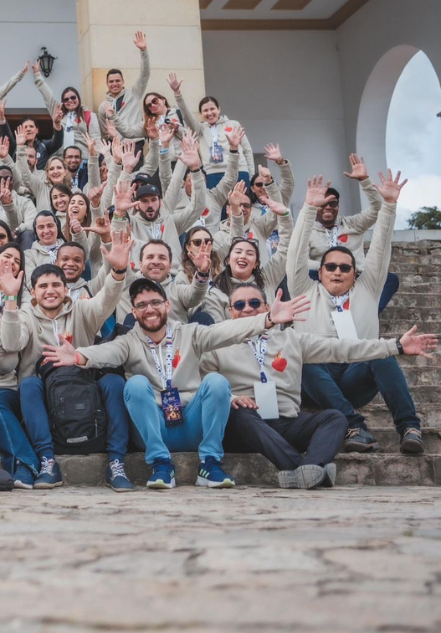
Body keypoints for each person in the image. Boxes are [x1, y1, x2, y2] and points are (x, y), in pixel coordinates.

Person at [42, 278, 310, 489]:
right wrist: (79, 355)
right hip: (155, 428)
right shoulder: (129, 342)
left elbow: (225, 331)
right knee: (134, 384)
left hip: (192, 423)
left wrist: (267, 319)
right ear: (134, 312)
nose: (150, 309)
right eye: (142, 305)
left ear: (167, 306)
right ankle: (161, 464)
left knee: (216, 382)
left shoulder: (190, 333)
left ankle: (210, 463)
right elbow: (107, 352)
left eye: (155, 302)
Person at [204, 284, 436, 489]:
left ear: (266, 307)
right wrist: (232, 397)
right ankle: (302, 468)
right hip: (243, 423)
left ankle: (309, 467)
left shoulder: (292, 339)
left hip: (284, 422)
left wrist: (394, 346)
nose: (247, 308)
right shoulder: (216, 343)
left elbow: (342, 348)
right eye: (240, 304)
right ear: (230, 311)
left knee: (335, 418)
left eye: (254, 302)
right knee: (242, 415)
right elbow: (202, 384)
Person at [290, 172, 423, 454]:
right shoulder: (304, 289)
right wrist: (308, 209)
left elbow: (380, 250)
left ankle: (410, 427)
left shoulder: (368, 289)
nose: (337, 271)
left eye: (345, 267)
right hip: (315, 377)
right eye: (331, 267)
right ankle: (354, 426)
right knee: (304, 360)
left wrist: (388, 206)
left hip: (354, 375)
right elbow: (295, 255)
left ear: (355, 273)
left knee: (381, 355)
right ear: (320, 272)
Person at [0, 231, 131, 490]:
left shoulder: (81, 309)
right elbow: (12, 344)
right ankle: (48, 460)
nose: (50, 291)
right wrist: (11, 300)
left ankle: (116, 463)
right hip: (44, 399)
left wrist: (118, 270)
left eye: (56, 285)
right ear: (33, 292)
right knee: (27, 385)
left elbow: (106, 301)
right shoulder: (25, 314)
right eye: (43, 287)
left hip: (84, 392)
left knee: (114, 383)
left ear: (65, 288)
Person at [96, 31, 149, 138]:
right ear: (107, 84)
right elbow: (104, 132)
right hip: (116, 147)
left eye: (117, 81)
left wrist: (143, 51)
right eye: (111, 81)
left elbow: (145, 74)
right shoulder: (103, 106)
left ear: (123, 82)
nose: (114, 84)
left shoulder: (134, 93)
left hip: (135, 143)